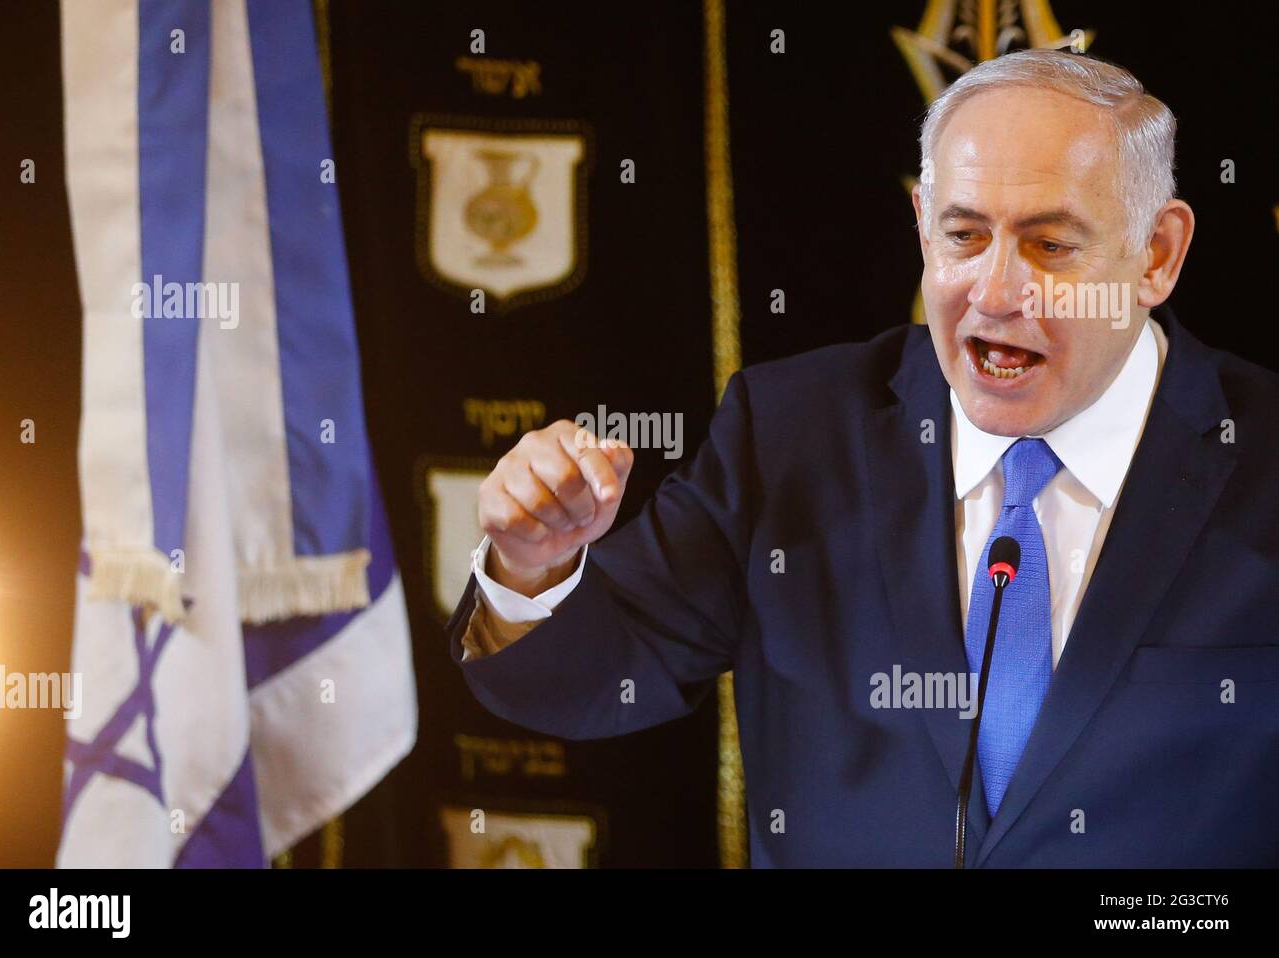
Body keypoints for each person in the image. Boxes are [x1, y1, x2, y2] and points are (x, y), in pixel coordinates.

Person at [445, 49, 1279, 866]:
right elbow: (589, 679)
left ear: (1158, 254)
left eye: (1051, 247)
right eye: (963, 235)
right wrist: (531, 564)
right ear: (922, 225)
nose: (992, 292)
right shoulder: (789, 433)